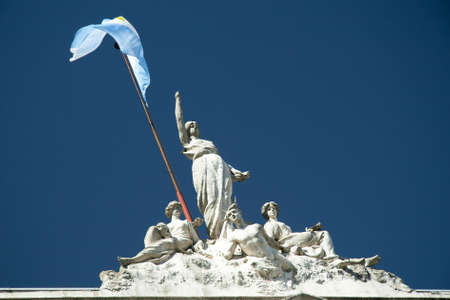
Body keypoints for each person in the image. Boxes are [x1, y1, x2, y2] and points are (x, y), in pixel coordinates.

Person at [175, 91, 250, 239]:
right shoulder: (188, 143)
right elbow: (178, 120)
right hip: (202, 164)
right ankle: (214, 233)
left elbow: (223, 161)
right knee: (210, 198)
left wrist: (236, 172)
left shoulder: (209, 143)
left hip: (219, 164)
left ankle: (226, 229)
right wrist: (177, 101)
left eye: (196, 125)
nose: (195, 126)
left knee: (224, 196)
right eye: (191, 125)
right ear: (187, 130)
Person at [261, 201, 380, 268]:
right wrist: (281, 250)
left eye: (274, 209)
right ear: (266, 213)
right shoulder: (269, 225)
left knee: (323, 236)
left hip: (293, 240)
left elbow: (291, 235)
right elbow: (270, 241)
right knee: (323, 234)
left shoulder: (283, 224)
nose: (273, 211)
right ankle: (333, 259)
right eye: (270, 209)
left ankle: (338, 258)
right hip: (285, 243)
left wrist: (308, 232)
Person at [219, 203, 296, 274]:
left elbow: (270, 241)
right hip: (259, 262)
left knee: (294, 272)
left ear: (239, 212)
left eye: (234, 212)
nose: (232, 215)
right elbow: (228, 254)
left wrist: (281, 247)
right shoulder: (234, 235)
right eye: (229, 215)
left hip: (274, 255)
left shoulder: (256, 226)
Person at [117, 222, 185, 267]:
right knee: (148, 251)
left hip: (161, 249)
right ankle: (132, 260)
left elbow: (178, 247)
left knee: (148, 251)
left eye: (161, 227)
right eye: (159, 227)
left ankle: (132, 260)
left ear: (166, 229)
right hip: (157, 248)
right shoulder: (162, 239)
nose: (159, 229)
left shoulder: (173, 239)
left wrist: (185, 252)